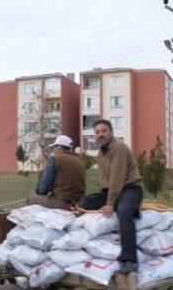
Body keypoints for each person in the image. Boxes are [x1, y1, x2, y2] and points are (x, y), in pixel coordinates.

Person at [80, 119, 143, 279]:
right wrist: (101, 199)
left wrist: (109, 203)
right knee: (85, 203)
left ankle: (129, 260)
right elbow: (106, 181)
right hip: (112, 191)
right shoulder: (102, 152)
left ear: (111, 132)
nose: (101, 134)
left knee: (123, 212)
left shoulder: (118, 148)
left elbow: (117, 177)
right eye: (98, 132)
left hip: (130, 188)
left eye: (104, 131)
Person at [26, 135, 86, 209]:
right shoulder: (80, 161)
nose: (53, 150)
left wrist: (38, 191)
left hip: (62, 203)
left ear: (60, 147)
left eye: (54, 147)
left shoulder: (55, 159)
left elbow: (44, 188)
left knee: (30, 199)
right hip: (79, 203)